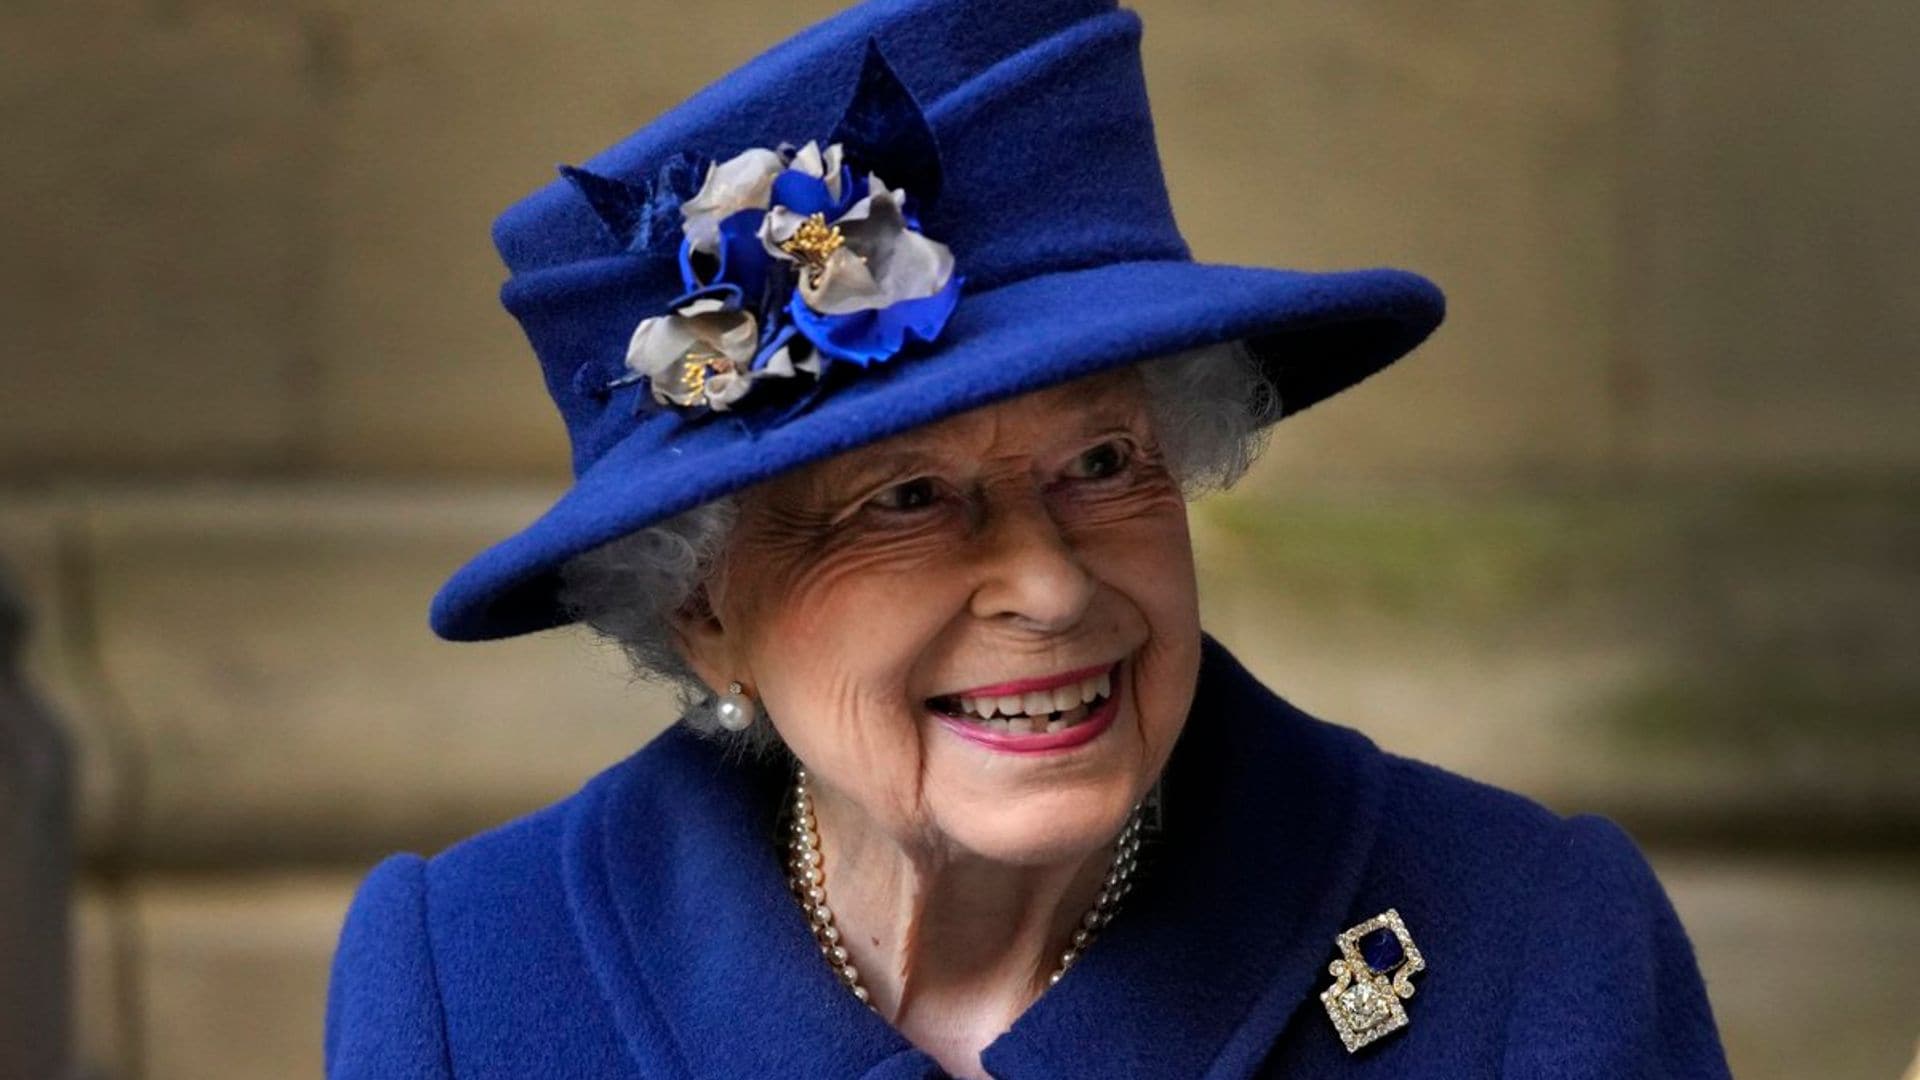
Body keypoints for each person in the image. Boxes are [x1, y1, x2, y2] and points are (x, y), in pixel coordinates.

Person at [324, 0, 1733, 1076]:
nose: (1053, 585)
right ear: (703, 610)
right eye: (906, 501)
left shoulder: (1531, 948)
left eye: (1105, 463)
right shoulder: (472, 984)